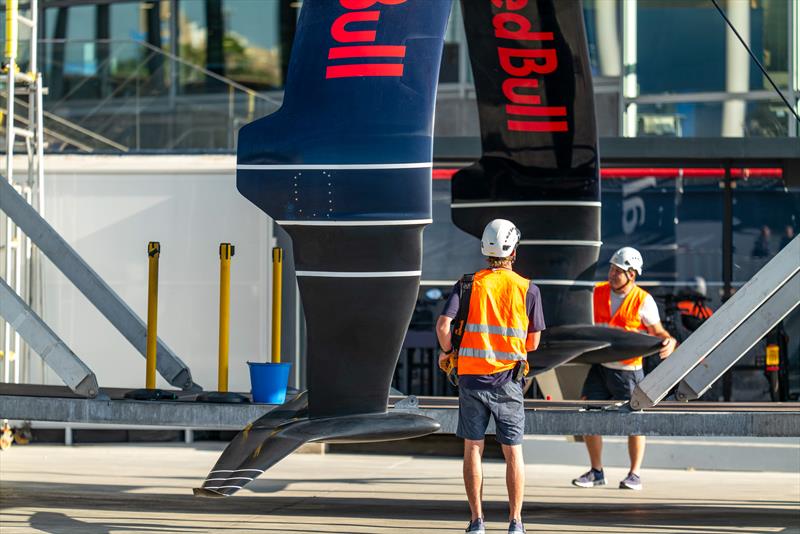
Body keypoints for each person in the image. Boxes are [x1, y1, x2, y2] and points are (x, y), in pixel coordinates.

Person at [436, 219, 545, 534]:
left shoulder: (468, 284)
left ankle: (477, 521)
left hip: (470, 379)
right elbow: (533, 343)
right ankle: (515, 522)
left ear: (486, 250)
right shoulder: (528, 289)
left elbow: (444, 328)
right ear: (514, 251)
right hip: (508, 380)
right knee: (513, 451)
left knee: (473, 447)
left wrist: (448, 350)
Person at [572, 247, 676, 491]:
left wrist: (669, 342)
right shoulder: (596, 292)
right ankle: (596, 471)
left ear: (632, 274)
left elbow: (658, 333)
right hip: (600, 367)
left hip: (628, 371)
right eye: (611, 269)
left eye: (617, 271)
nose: (611, 274)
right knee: (589, 416)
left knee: (634, 422)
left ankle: (634, 474)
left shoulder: (643, 300)